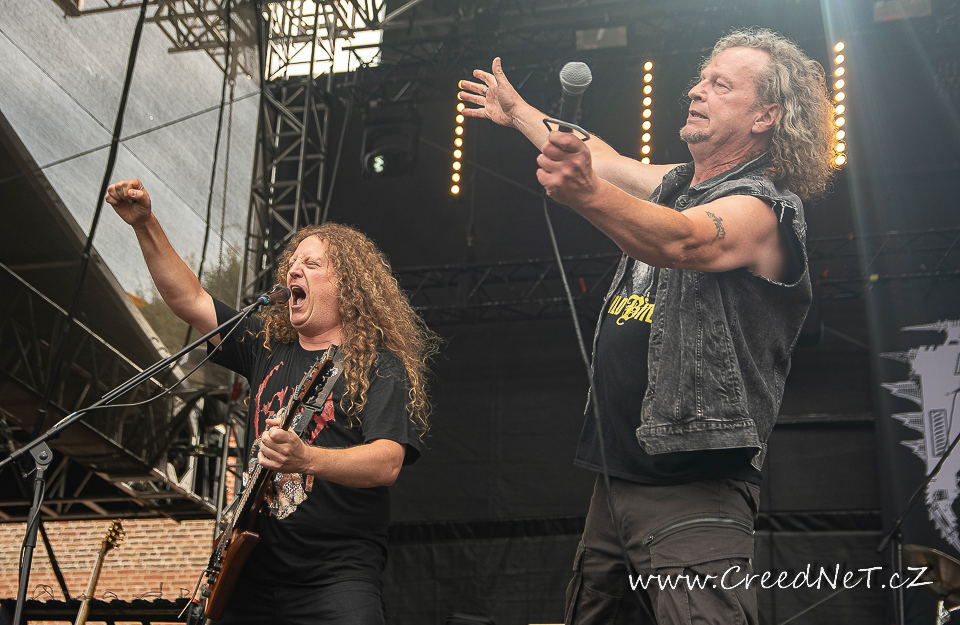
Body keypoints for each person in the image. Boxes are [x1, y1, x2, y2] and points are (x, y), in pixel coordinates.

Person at [459, 28, 835, 624]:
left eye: (721, 84)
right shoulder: (678, 186)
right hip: (616, 483)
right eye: (701, 79)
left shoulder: (764, 210)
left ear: (766, 115)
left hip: (694, 490)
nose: (696, 90)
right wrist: (519, 111)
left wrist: (586, 195)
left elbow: (681, 242)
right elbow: (609, 163)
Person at [106, 179, 438, 625]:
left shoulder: (378, 366)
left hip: (335, 577)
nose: (294, 270)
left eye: (312, 264)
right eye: (293, 263)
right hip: (250, 572)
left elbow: (387, 463)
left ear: (348, 286)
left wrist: (306, 458)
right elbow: (189, 299)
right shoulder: (266, 346)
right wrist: (145, 224)